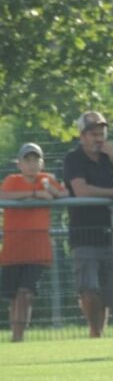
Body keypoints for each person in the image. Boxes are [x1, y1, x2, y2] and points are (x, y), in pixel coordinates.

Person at [63, 110, 113, 338]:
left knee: (108, 294)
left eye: (102, 133)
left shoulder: (108, 158)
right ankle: (94, 332)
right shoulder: (73, 158)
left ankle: (99, 335)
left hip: (110, 236)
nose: (99, 138)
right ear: (82, 136)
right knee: (89, 290)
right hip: (84, 237)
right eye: (93, 134)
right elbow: (81, 190)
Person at [0, 144, 65, 341]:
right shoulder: (12, 180)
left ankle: (19, 337)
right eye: (27, 160)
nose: (32, 164)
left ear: (42, 163)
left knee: (26, 293)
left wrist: (52, 191)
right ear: (19, 164)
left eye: (36, 160)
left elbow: (65, 194)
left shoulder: (47, 180)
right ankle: (16, 336)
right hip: (14, 249)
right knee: (14, 296)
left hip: (38, 249)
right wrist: (35, 194)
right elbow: (3, 195)